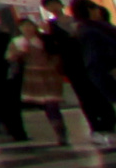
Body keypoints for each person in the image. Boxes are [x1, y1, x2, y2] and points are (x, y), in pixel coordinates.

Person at [16, 16, 77, 145]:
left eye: (29, 25)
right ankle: (59, 130)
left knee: (51, 103)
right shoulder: (18, 42)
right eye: (24, 26)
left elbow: (55, 54)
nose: (27, 28)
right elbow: (12, 58)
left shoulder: (44, 39)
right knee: (47, 105)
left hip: (49, 75)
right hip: (33, 76)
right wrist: (21, 52)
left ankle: (61, 132)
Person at [69, 0, 116, 150]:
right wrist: (111, 67)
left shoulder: (97, 27)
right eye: (94, 8)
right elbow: (97, 54)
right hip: (105, 70)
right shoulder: (90, 30)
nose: (98, 12)